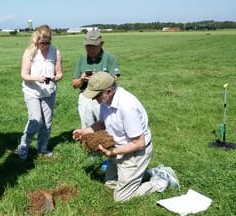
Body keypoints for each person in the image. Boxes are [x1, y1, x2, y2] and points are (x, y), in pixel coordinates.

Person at [72, 72, 179, 202]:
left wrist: (112, 152)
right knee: (110, 185)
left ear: (109, 91)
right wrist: (84, 131)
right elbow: (102, 123)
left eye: (96, 95)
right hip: (121, 147)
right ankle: (147, 173)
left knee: (121, 198)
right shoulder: (106, 100)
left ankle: (162, 180)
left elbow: (139, 143)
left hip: (135, 152)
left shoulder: (127, 107)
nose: (94, 99)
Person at [17, 24, 63, 160]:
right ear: (37, 41)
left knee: (47, 123)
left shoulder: (55, 52)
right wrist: (37, 78)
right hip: (32, 92)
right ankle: (23, 147)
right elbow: (24, 75)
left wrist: (55, 78)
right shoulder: (30, 52)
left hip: (49, 92)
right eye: (42, 43)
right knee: (35, 120)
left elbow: (60, 73)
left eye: (48, 43)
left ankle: (42, 148)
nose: (45, 46)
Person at [72, 30, 120, 129]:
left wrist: (98, 77)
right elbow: (74, 85)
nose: (90, 49)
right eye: (88, 46)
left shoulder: (109, 58)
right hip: (86, 96)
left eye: (93, 46)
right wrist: (82, 79)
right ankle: (87, 143)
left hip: (103, 96)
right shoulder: (82, 60)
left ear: (101, 44)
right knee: (87, 126)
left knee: (105, 124)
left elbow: (114, 79)